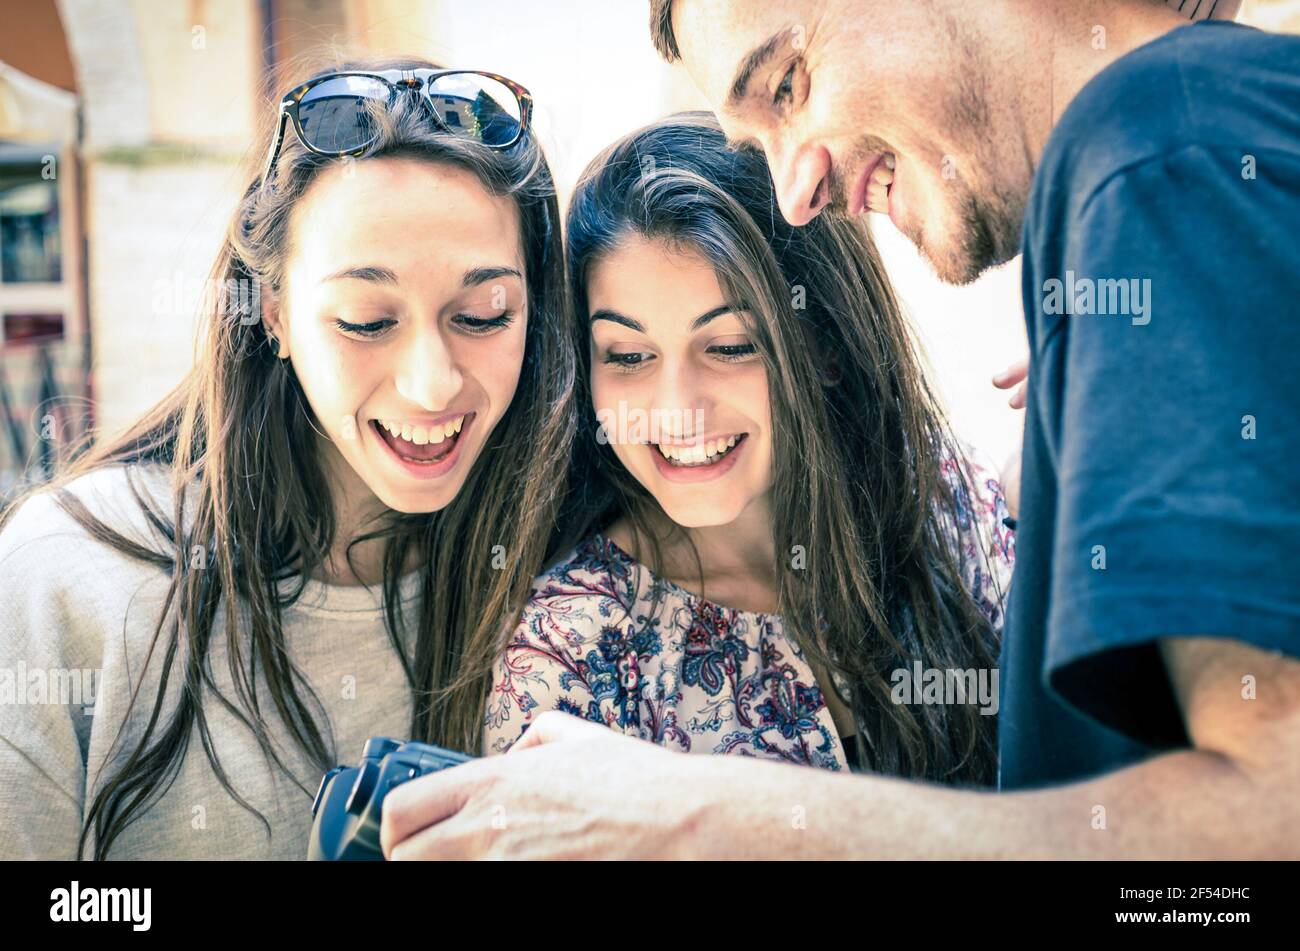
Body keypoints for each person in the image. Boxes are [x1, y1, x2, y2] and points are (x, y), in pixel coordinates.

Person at [379, 0, 1300, 859]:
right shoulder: (1220, 136)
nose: (795, 192)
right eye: (625, 356)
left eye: (788, 84)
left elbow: (1272, 816)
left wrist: (695, 815)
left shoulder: (1158, 152)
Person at [0, 55, 574, 859]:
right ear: (273, 311)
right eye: (367, 320)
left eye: (482, 314)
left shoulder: (573, 578)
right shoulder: (65, 577)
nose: (430, 385)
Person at [483, 112, 1013, 781]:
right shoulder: (570, 649)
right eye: (628, 354)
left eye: (731, 345)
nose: (678, 409)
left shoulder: (936, 488)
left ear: (823, 342)